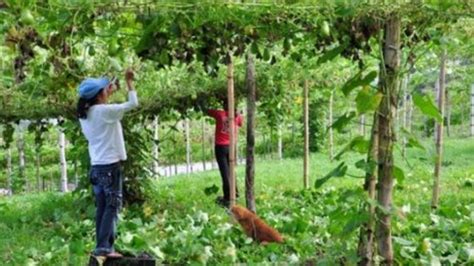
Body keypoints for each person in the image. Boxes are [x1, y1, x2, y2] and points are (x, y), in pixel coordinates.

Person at [77, 69, 138, 258]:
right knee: (112, 207)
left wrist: (107, 91)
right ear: (99, 95)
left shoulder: (86, 113)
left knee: (103, 207)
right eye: (105, 90)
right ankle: (104, 248)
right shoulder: (104, 112)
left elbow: (103, 106)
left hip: (97, 167)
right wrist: (129, 82)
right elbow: (133, 103)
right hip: (110, 167)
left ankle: (102, 246)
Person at [205, 99, 243, 207]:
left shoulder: (219, 114)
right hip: (232, 146)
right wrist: (238, 112)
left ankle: (227, 198)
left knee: (225, 173)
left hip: (221, 147)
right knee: (231, 170)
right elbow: (240, 123)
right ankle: (235, 193)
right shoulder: (236, 116)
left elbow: (206, 110)